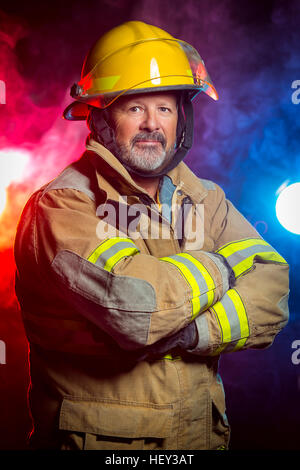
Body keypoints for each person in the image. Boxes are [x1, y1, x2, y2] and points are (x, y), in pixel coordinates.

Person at [14, 21, 290, 451]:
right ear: (103, 117)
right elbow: (140, 307)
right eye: (134, 108)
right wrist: (221, 265)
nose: (151, 124)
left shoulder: (204, 198)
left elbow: (273, 287)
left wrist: (195, 332)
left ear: (182, 118)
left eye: (164, 108)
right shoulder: (63, 206)